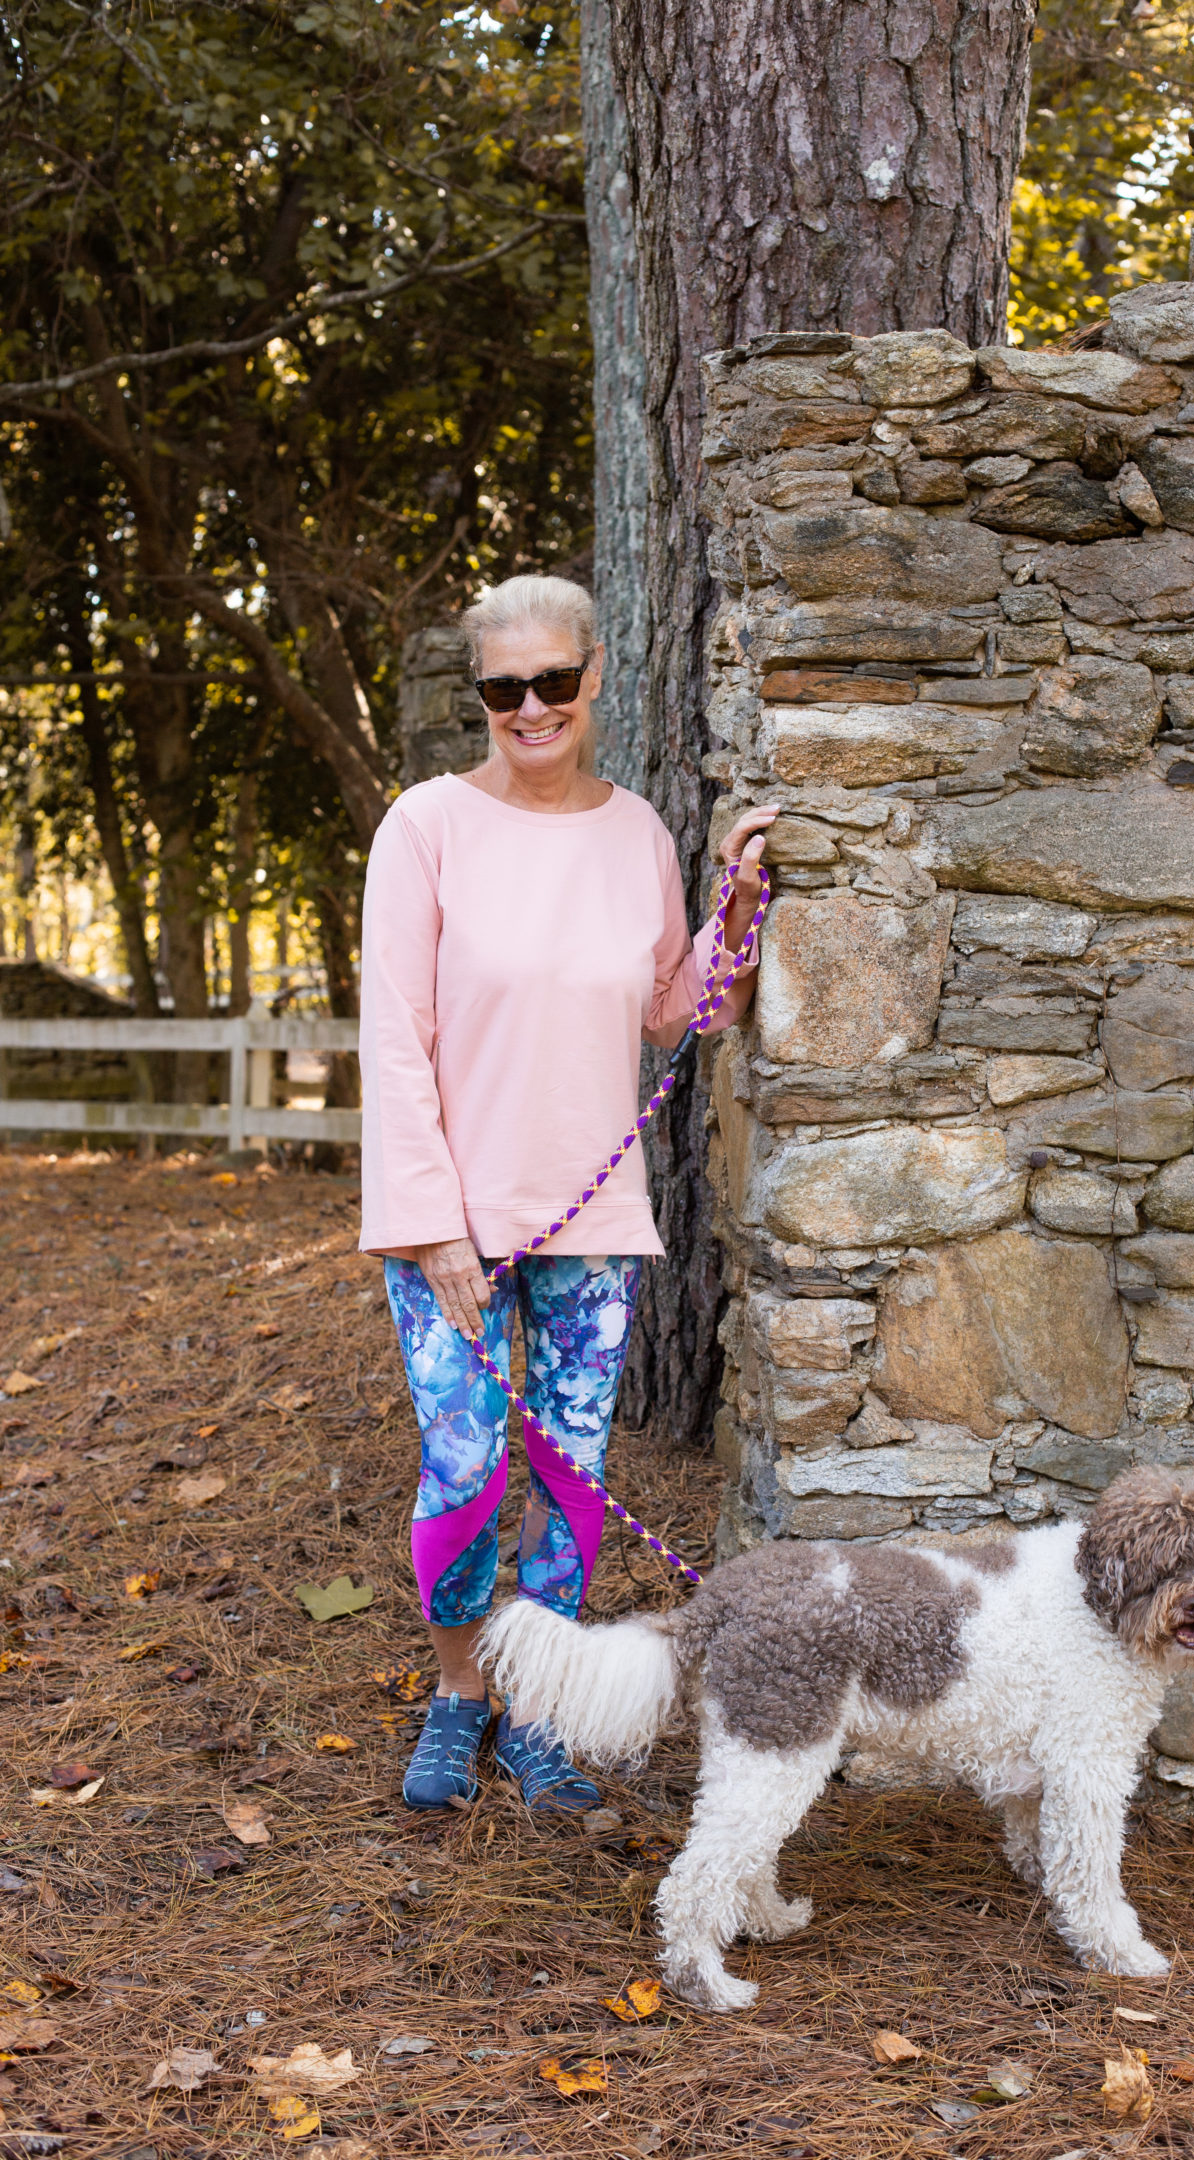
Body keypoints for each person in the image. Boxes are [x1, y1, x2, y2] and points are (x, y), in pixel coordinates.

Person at [358, 573, 774, 1814]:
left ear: (593, 676)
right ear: (480, 695)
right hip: (454, 1232)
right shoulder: (425, 827)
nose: (530, 707)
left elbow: (676, 1011)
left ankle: (535, 1709)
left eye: (551, 681)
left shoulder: (636, 835)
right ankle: (460, 1693)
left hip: (594, 1224)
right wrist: (432, 1225)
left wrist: (737, 903)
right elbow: (394, 1035)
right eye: (504, 688)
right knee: (464, 1473)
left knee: (571, 1474)